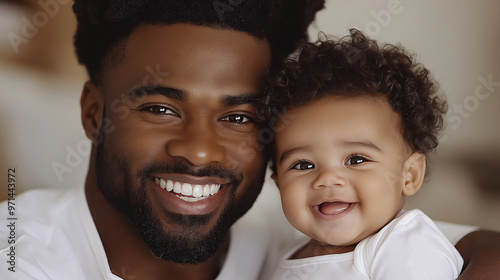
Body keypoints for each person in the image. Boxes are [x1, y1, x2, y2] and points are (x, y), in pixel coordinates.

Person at [0, 1, 499, 279]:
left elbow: (482, 246)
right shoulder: (20, 249)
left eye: (239, 117)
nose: (198, 150)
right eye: (159, 108)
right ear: (93, 111)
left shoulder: (289, 226)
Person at [262, 29, 462, 279]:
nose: (327, 178)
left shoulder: (402, 245)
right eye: (302, 165)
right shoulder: (287, 255)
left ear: (409, 175)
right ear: (278, 183)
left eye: (356, 160)